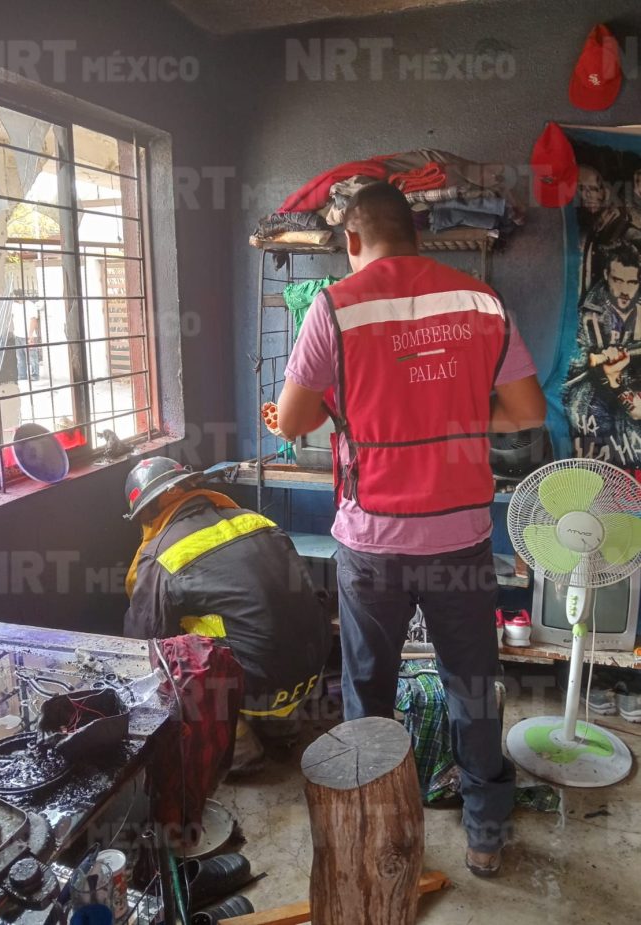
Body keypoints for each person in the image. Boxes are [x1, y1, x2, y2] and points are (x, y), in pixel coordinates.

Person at [275, 182, 546, 877]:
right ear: (418, 236)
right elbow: (526, 413)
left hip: (372, 545)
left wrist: (339, 406)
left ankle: (373, 829)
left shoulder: (334, 307)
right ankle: (486, 836)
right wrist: (458, 415)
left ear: (352, 240)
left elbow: (296, 420)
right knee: (472, 685)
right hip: (461, 538)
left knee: (369, 691)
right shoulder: (479, 301)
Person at [123, 457, 332, 770]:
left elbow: (143, 638)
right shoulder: (256, 520)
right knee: (255, 618)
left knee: (170, 655)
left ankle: (238, 749)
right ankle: (282, 726)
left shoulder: (161, 554)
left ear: (147, 512)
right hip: (315, 662)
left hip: (259, 681)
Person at [566, 241, 641, 463]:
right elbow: (575, 362)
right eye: (618, 280)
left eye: (632, 282)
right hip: (595, 392)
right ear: (607, 275)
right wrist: (597, 360)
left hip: (629, 385)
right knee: (592, 416)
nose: (625, 291)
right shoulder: (587, 314)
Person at [10, 290, 40, 381]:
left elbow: (33, 320)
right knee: (20, 358)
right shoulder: (14, 306)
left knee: (32, 357)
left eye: (15, 296)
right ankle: (22, 375)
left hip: (29, 336)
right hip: (18, 335)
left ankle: (35, 375)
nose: (13, 298)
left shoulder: (30, 305)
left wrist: (30, 335)